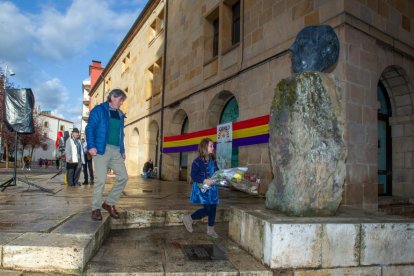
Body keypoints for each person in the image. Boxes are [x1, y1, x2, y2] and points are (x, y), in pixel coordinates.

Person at [86, 89, 128, 221]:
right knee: (101, 180)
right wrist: (91, 146)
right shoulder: (99, 110)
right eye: (120, 100)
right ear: (113, 97)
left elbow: (121, 134)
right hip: (101, 149)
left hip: (116, 150)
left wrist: (123, 149)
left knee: (123, 177)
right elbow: (90, 128)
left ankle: (109, 203)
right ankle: (96, 208)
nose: (121, 103)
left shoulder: (120, 114)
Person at [182, 138, 219, 238]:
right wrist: (204, 180)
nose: (213, 147)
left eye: (213, 146)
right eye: (211, 146)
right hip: (203, 189)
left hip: (213, 189)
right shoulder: (197, 162)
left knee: (213, 209)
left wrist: (220, 177)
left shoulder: (213, 160)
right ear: (204, 147)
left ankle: (210, 230)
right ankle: (189, 218)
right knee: (207, 209)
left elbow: (217, 172)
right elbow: (193, 176)